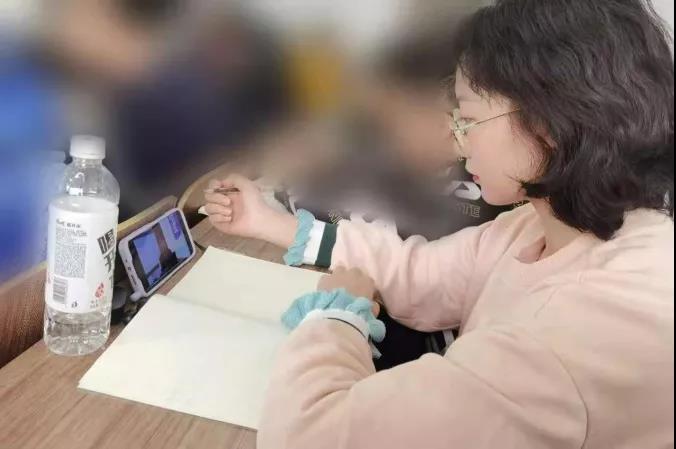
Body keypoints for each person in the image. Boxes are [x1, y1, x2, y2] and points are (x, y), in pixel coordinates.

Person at [206, 0, 674, 447]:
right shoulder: (550, 226)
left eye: (468, 119)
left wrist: (334, 319)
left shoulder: (565, 342)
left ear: (548, 125)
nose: (458, 140)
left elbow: (310, 437)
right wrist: (271, 223)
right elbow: (423, 274)